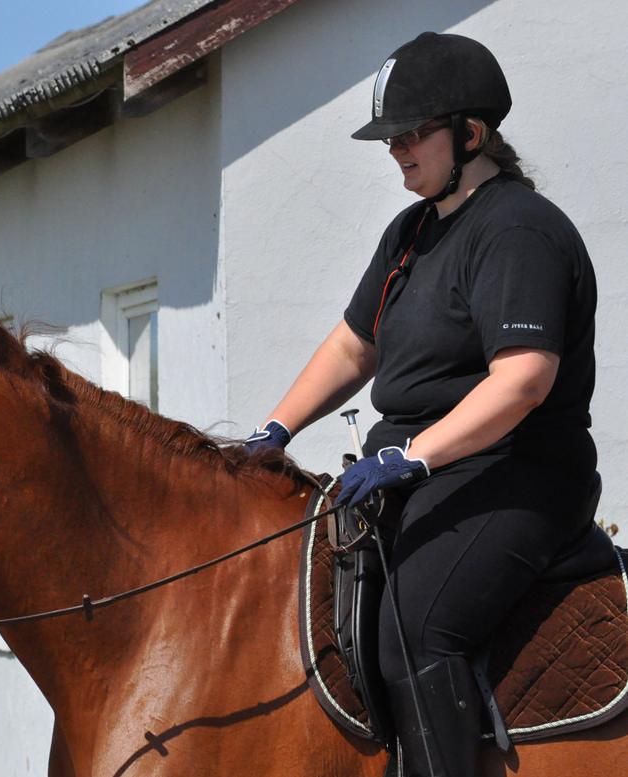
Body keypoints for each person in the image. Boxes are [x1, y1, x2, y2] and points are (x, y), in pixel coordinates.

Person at [245, 32, 599, 777]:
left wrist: (413, 454)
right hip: (418, 471)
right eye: (390, 137)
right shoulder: (410, 233)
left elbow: (524, 380)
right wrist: (275, 428)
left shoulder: (519, 231)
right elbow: (352, 346)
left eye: (412, 134)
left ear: (470, 134)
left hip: (517, 475)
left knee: (416, 626)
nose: (396, 151)